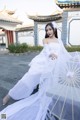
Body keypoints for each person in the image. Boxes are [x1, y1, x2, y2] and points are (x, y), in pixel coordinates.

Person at [0, 22, 72, 120]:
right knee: (27, 79)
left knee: (49, 86)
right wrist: (51, 54)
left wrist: (72, 59)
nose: (48, 31)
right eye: (47, 30)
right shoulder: (45, 40)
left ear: (54, 30)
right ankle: (9, 95)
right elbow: (47, 51)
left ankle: (48, 102)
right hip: (43, 63)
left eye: (50, 29)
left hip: (54, 66)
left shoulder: (60, 41)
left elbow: (64, 53)